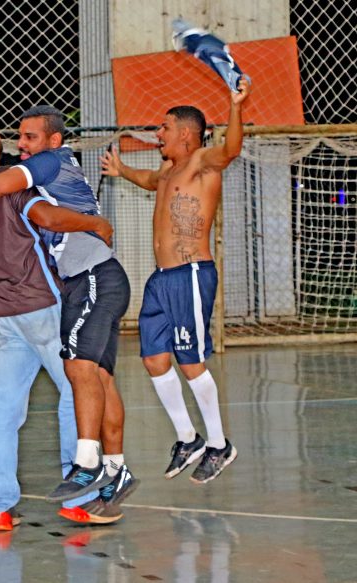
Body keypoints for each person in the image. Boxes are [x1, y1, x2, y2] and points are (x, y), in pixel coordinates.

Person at [0, 114, 113, 532]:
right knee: (76, 390)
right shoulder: (14, 185)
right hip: (42, 302)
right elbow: (49, 219)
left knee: (3, 409)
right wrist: (94, 223)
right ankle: (80, 496)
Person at [100, 78, 251, 483]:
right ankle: (189, 439)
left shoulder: (203, 161)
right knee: (153, 358)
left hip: (191, 274)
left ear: (186, 133)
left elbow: (232, 149)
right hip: (163, 278)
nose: (157, 134)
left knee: (190, 362)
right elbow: (151, 183)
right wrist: (121, 170)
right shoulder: (169, 169)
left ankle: (220, 444)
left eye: (163, 128)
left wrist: (236, 106)